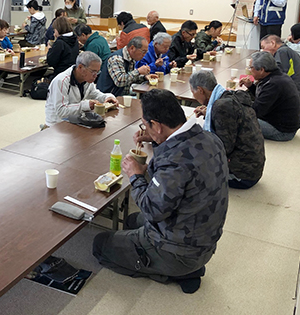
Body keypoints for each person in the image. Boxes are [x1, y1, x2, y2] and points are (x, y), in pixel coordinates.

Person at [93, 89, 228, 294]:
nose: (144, 129)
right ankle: (180, 266)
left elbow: (152, 210)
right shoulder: (210, 138)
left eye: (146, 125)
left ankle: (174, 272)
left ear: (156, 124)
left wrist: (135, 175)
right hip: (203, 239)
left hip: (178, 251)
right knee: (130, 221)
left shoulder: (174, 161)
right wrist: (156, 138)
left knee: (100, 244)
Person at [190, 70, 265, 189]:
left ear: (200, 90)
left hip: (242, 175)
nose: (193, 95)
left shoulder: (222, 107)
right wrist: (209, 113)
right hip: (253, 166)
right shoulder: (228, 97)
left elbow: (223, 148)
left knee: (189, 167)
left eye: (192, 91)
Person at [44, 51, 118, 127]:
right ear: (80, 67)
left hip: (75, 121)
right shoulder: (61, 81)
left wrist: (108, 97)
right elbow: (61, 111)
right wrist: (85, 105)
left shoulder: (86, 80)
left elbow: (95, 94)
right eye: (93, 72)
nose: (95, 76)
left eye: (97, 72)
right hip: (57, 124)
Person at [239, 51, 300, 141]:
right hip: (283, 124)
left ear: (261, 70)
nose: (249, 70)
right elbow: (263, 98)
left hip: (282, 131)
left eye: (251, 67)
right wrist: (251, 86)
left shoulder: (273, 84)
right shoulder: (278, 76)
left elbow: (256, 111)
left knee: (239, 118)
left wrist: (237, 102)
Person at [260, 34, 300, 106]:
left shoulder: (282, 52)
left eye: (263, 47)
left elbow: (278, 76)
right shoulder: (286, 50)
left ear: (273, 43)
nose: (263, 51)